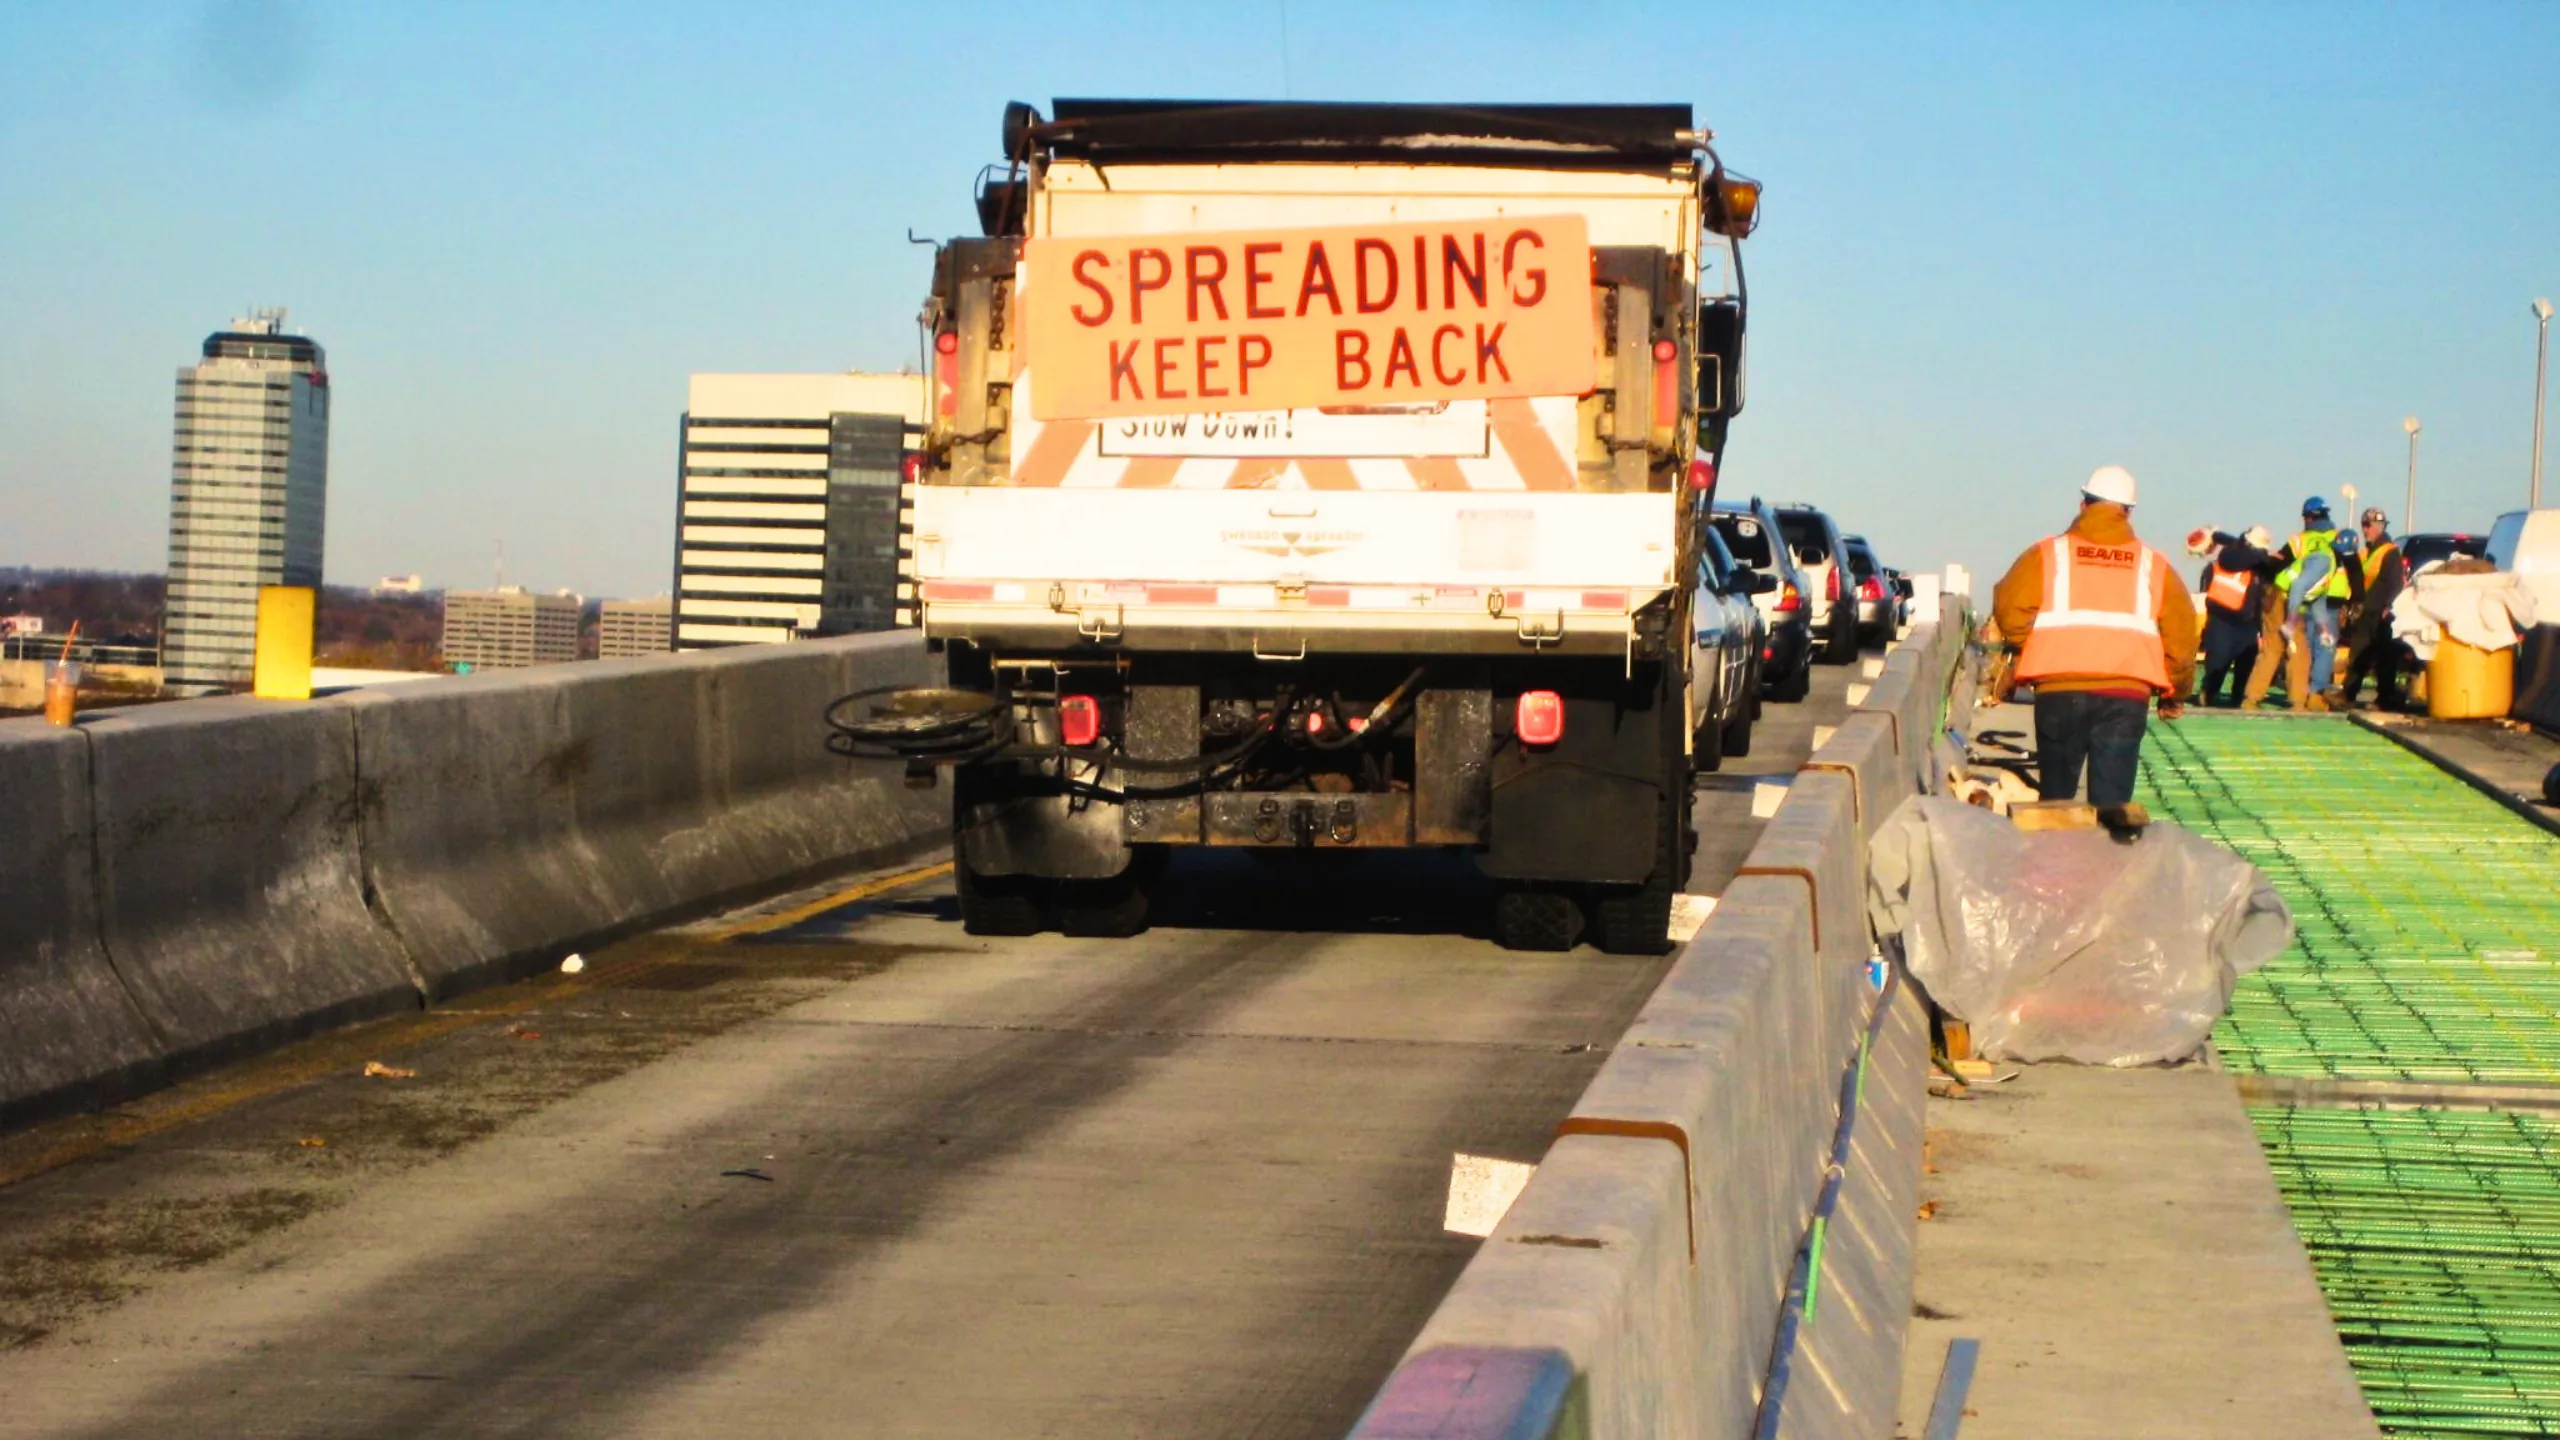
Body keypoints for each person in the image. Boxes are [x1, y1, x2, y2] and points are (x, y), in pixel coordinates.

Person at [1994, 465, 2200, 807]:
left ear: (2083, 504)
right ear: (2128, 511)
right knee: (2113, 812)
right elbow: (2181, 637)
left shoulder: (2047, 554)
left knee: (2055, 806)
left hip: (2058, 692)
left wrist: (2030, 647)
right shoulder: (2153, 565)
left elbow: (2009, 609)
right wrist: (2175, 693)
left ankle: (2057, 856)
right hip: (2126, 696)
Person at [2268, 496, 2348, 710]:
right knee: (2325, 647)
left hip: (2306, 598)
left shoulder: (2299, 540)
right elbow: (2353, 564)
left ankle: (2302, 693)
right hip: (2333, 596)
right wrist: (2357, 597)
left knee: (2306, 646)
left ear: (2309, 517)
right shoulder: (2337, 536)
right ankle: (2316, 694)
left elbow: (2278, 561)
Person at [2335, 506, 2409, 710]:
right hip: (2365, 612)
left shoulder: (2390, 552)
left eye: (2368, 526)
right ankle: (2348, 693)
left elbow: (2395, 583)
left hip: (2381, 613)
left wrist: (2389, 607)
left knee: (2384, 658)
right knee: (2358, 654)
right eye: (2363, 526)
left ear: (2379, 527)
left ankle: (2385, 698)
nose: (2365, 530)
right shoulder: (2366, 551)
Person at [2193, 524, 2274, 707]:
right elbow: (2240, 558)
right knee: (2218, 661)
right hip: (2224, 619)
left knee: (2244, 665)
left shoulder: (2251, 560)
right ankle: (2209, 693)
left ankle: (2236, 698)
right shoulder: (2232, 556)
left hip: (2247, 622)